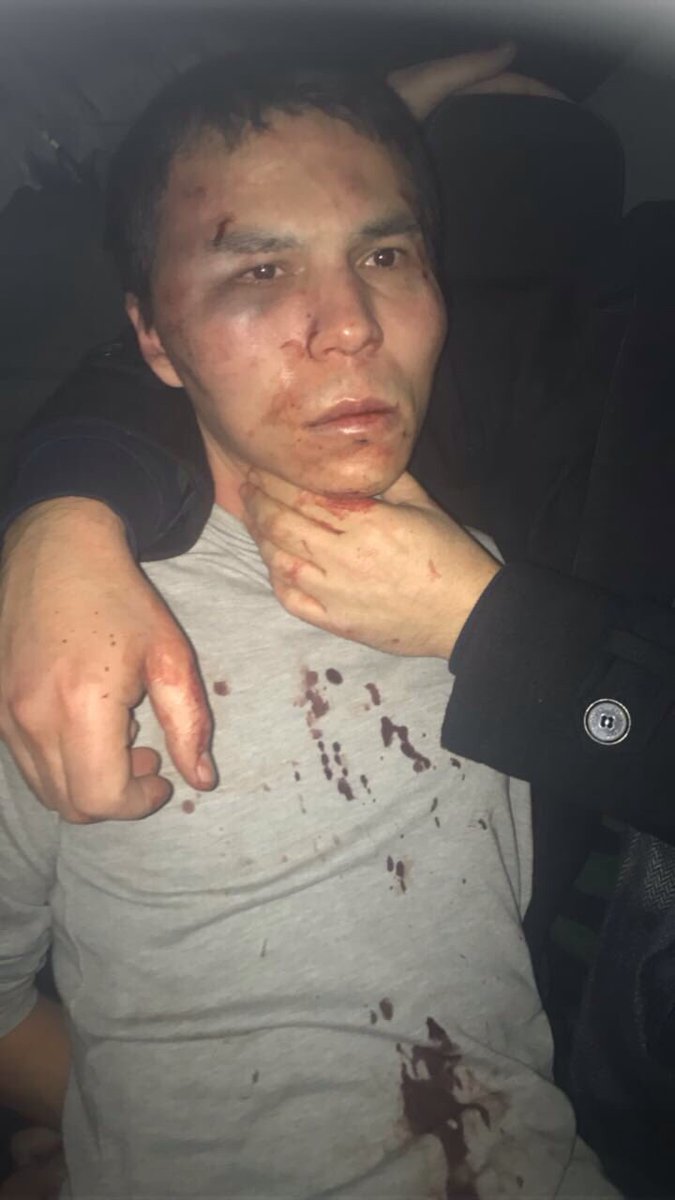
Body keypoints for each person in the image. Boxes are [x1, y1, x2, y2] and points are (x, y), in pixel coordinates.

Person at [0, 58, 619, 1198]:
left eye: (385, 258)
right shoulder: (71, 632)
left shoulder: (513, 580)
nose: (349, 327)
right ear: (152, 340)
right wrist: (116, 1126)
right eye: (260, 270)